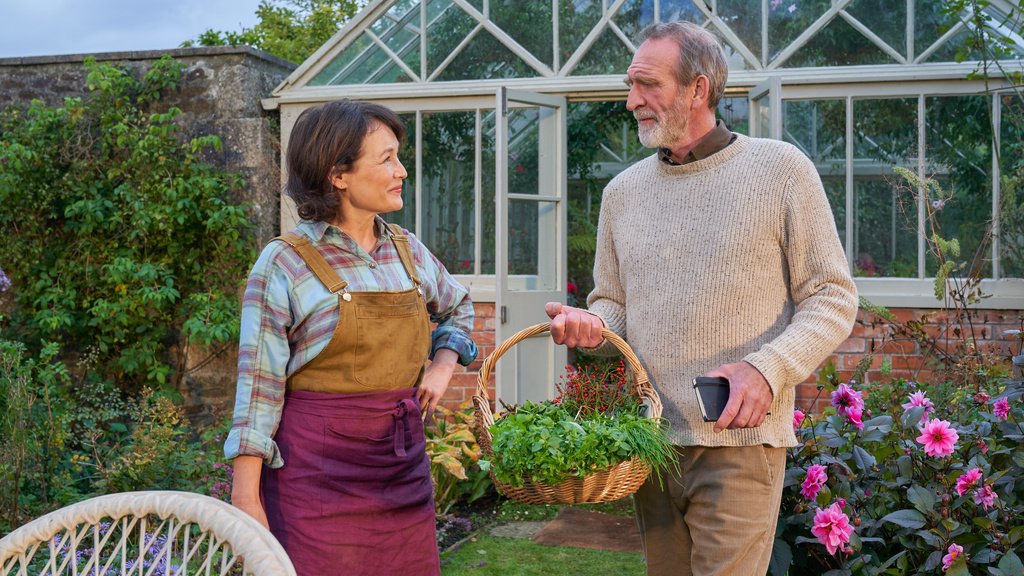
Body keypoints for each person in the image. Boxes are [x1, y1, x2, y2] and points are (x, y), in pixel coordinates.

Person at [546, 21, 858, 576]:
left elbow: (831, 296)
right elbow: (613, 303)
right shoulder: (622, 193)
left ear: (698, 88)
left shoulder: (781, 171)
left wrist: (767, 370)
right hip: (652, 441)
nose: (631, 101)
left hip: (739, 441)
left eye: (648, 85)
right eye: (630, 85)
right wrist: (589, 323)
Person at [224, 100, 477, 576]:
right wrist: (246, 500)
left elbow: (459, 306)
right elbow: (257, 392)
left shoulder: (408, 252)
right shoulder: (284, 264)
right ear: (337, 173)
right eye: (386, 159)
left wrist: (444, 364)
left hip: (401, 471)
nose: (401, 170)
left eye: (398, 156)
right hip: (315, 481)